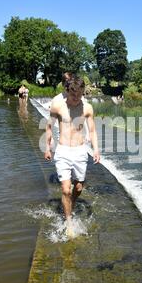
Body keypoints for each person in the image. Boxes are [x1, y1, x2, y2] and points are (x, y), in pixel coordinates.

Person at [44, 75, 100, 238]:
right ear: (66, 91)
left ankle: (70, 203)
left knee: (78, 188)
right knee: (66, 190)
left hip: (80, 151)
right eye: (73, 94)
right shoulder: (57, 106)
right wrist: (47, 148)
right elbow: (49, 127)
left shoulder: (87, 108)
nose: (77, 98)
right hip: (63, 152)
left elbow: (92, 131)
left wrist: (96, 150)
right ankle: (68, 222)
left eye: (80, 94)